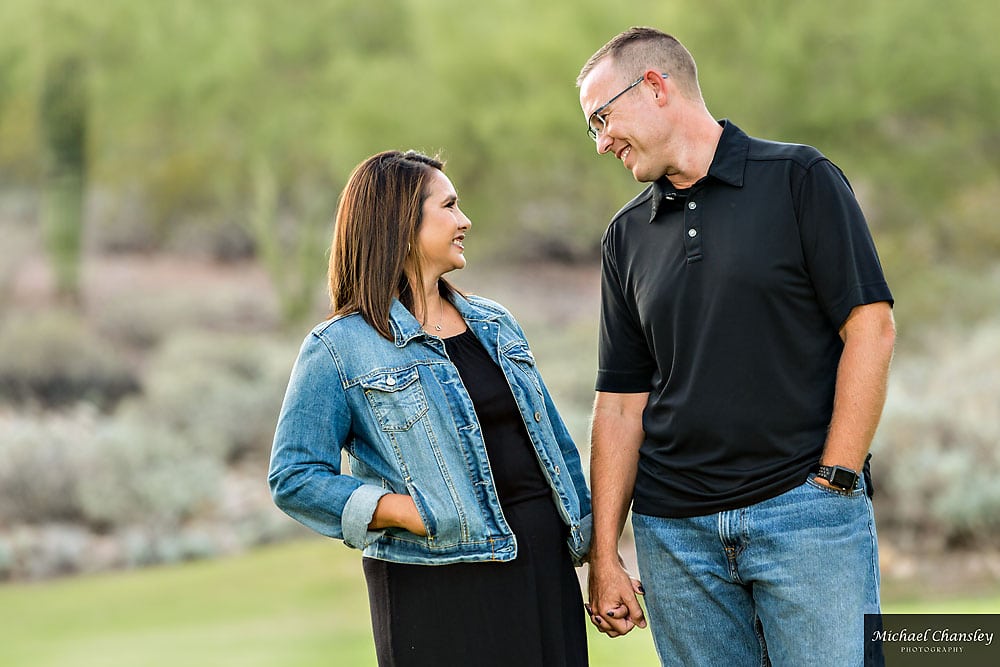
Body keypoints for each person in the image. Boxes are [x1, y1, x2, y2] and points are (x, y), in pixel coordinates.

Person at [576, 27, 896, 665]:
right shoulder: (626, 236)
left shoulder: (799, 178)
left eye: (602, 119)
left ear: (656, 87)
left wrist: (835, 476)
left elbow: (870, 326)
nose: (602, 141)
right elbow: (618, 402)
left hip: (804, 515)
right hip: (675, 536)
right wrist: (605, 552)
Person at [268, 150, 592, 667]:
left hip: (543, 572)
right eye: (449, 206)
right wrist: (400, 511)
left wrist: (599, 555)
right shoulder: (340, 346)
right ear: (399, 224)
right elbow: (295, 474)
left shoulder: (494, 323)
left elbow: (554, 444)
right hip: (435, 583)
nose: (464, 220)